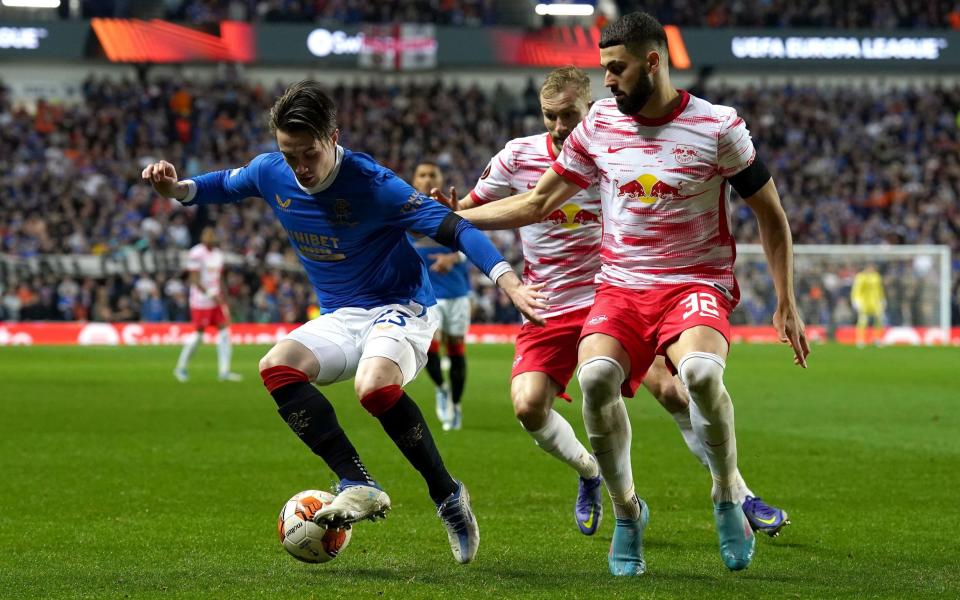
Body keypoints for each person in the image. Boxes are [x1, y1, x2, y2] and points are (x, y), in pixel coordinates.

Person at [455, 13, 809, 575]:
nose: (609, 82)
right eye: (604, 70)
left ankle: (725, 496)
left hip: (694, 281)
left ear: (653, 62)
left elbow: (770, 212)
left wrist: (786, 298)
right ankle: (626, 511)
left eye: (616, 70)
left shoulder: (717, 127)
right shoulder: (598, 127)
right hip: (619, 286)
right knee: (596, 378)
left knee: (699, 376)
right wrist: (450, 218)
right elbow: (539, 202)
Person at [143, 80, 545, 565]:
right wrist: (177, 189)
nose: (300, 168)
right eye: (289, 155)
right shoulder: (273, 173)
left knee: (374, 387)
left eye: (309, 153)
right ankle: (357, 480)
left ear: (333, 138)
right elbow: (223, 185)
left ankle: (447, 495)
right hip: (341, 315)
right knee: (276, 367)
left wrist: (508, 282)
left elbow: (454, 227)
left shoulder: (374, 184)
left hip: (403, 305)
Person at [409, 161, 472, 431]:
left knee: (456, 349)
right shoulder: (405, 213)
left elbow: (473, 245)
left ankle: (456, 405)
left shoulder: (453, 211)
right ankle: (441, 389)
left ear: (441, 179)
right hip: (426, 296)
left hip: (456, 293)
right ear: (414, 181)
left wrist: (452, 257)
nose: (426, 179)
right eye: (421, 175)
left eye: (432, 175)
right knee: (429, 348)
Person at [173, 227, 242, 382]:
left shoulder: (218, 254)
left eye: (212, 235)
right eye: (207, 235)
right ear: (203, 237)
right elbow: (194, 279)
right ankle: (180, 368)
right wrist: (210, 294)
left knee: (224, 332)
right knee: (199, 335)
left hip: (215, 300)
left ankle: (224, 371)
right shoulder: (196, 253)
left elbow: (220, 278)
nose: (210, 238)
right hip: (201, 301)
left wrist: (224, 296)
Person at [851, 263, 885, 347]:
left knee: (878, 321)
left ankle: (877, 338)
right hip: (864, 302)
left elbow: (880, 289)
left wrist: (882, 298)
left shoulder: (877, 276)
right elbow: (856, 289)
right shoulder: (861, 277)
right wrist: (856, 300)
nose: (871, 269)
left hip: (875, 302)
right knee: (863, 321)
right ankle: (860, 339)